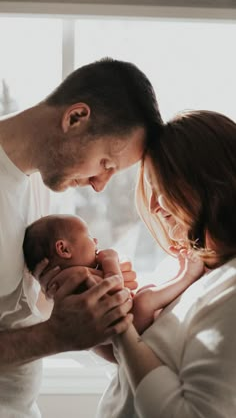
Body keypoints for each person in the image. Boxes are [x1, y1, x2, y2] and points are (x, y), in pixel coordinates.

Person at [0, 57, 163, 417]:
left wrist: (83, 309)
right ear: (75, 118)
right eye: (106, 163)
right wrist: (55, 336)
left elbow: (20, 315)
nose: (100, 185)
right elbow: (45, 333)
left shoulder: (39, 186)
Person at [96, 110, 236, 418]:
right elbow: (127, 366)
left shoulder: (230, 290)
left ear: (209, 180)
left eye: (164, 184)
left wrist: (122, 327)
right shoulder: (184, 268)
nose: (155, 205)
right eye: (151, 186)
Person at [23, 214, 204, 330]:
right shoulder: (72, 277)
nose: (95, 240)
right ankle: (186, 277)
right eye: (87, 236)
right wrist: (110, 260)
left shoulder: (64, 279)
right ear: (64, 249)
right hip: (122, 332)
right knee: (145, 299)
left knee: (147, 290)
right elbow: (117, 291)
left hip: (117, 331)